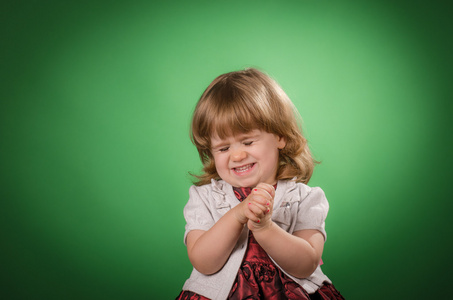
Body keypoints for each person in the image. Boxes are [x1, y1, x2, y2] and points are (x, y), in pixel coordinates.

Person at [176, 68, 344, 300]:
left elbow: (307, 265)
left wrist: (265, 228)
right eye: (223, 148)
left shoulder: (305, 198)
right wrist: (237, 215)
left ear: (279, 136)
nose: (236, 156)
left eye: (247, 141)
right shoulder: (204, 197)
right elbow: (204, 263)